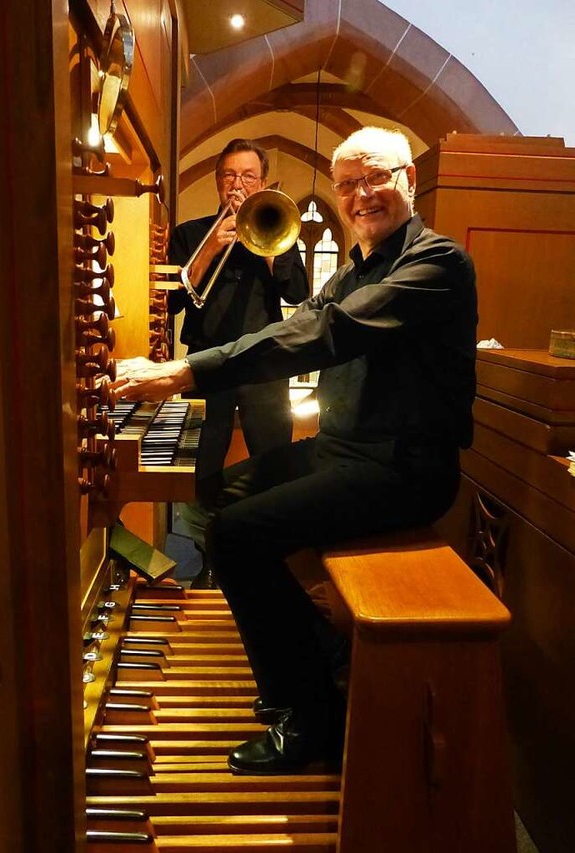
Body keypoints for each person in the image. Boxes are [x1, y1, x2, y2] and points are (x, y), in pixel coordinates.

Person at [113, 126, 478, 775]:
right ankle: (320, 661)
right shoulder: (359, 267)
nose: (362, 194)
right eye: (349, 184)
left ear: (409, 183)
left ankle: (309, 713)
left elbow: (326, 331)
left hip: (403, 466)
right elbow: (300, 318)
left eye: (378, 178)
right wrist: (192, 362)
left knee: (238, 533)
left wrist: (185, 371)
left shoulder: (438, 263)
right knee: (223, 496)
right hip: (344, 450)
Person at [168, 139, 309, 588]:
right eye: (230, 175)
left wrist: (268, 249)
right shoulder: (191, 234)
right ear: (217, 181)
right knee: (202, 463)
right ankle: (209, 554)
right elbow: (170, 301)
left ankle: (267, 555)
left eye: (248, 176)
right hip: (207, 363)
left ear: (262, 182)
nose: (238, 185)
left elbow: (298, 295)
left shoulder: (278, 229)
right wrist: (211, 246)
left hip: (264, 361)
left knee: (273, 456)